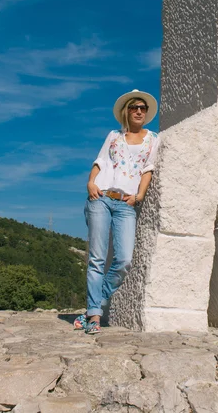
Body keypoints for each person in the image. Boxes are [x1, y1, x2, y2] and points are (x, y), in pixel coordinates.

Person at [74, 89, 159, 334]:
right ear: (127, 111)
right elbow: (100, 161)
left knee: (124, 260)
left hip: (126, 204)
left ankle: (94, 306)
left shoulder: (153, 139)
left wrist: (140, 196)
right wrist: (91, 183)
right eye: (135, 107)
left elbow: (148, 169)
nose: (140, 111)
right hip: (100, 197)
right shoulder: (113, 135)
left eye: (143, 108)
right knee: (97, 259)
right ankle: (94, 318)